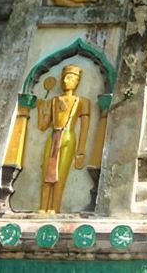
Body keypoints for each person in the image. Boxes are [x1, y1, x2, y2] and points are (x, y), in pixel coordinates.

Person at [37, 64, 91, 213]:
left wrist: (80, 151)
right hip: (53, 136)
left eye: (71, 77)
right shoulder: (54, 101)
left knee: (60, 176)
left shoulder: (82, 102)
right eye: (65, 77)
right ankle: (42, 207)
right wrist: (42, 109)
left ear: (77, 81)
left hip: (68, 136)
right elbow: (42, 126)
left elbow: (85, 128)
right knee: (46, 175)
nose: (66, 80)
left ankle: (55, 208)